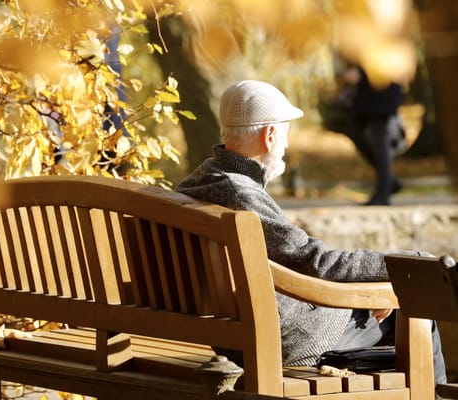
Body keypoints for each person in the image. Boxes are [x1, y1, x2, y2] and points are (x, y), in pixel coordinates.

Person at [175, 80, 447, 387]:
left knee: (385, 305)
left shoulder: (198, 183)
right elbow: (316, 262)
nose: (287, 146)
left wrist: (372, 285)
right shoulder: (240, 195)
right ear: (270, 135)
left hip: (227, 331)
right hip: (283, 336)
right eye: (286, 136)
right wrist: (405, 266)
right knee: (415, 305)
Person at [344, 66, 407, 205]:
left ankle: (383, 194)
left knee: (380, 141)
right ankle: (389, 181)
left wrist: (362, 73)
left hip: (382, 91)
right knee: (355, 131)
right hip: (368, 93)